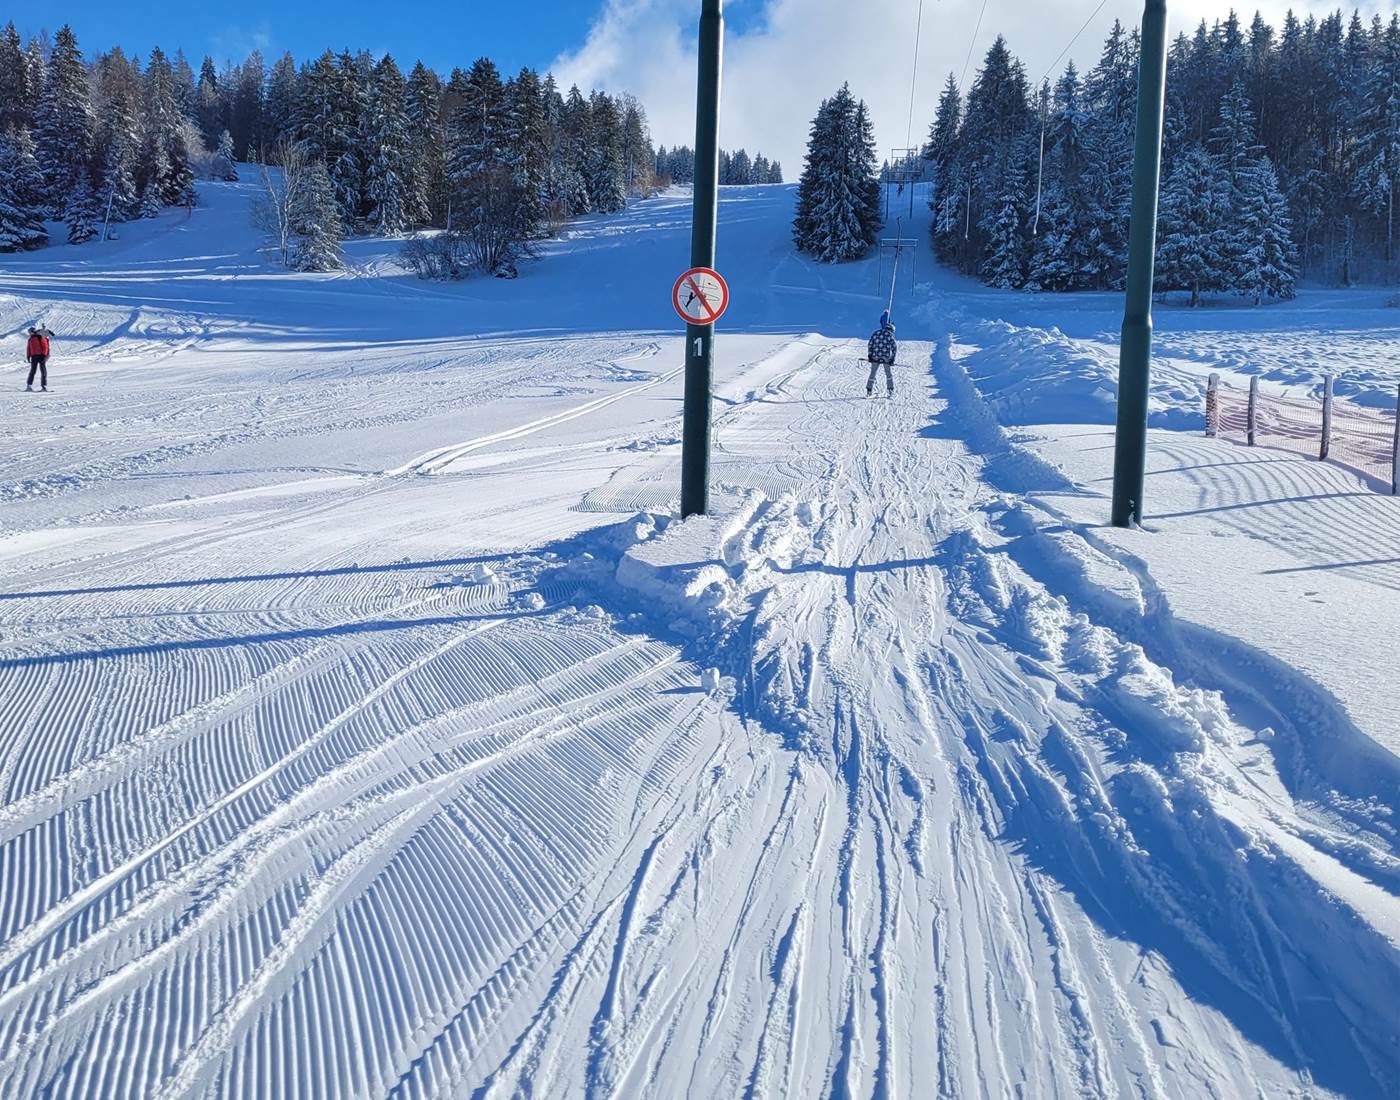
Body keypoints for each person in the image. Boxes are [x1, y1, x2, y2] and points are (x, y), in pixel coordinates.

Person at [866, 310, 896, 398]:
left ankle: (869, 390)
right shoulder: (890, 336)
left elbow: (870, 344)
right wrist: (892, 359)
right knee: (888, 374)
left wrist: (870, 355)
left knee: (873, 373)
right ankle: (890, 390)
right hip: (886, 358)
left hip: (875, 357)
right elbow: (894, 348)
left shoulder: (876, 333)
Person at [25, 326, 50, 392]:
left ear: (33, 331)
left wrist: (44, 355)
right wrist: (28, 355)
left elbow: (45, 346)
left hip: (41, 356)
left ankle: (44, 386)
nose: (30, 334)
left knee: (43, 371)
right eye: (29, 332)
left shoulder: (40, 337)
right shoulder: (30, 339)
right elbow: (28, 348)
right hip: (34, 356)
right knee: (33, 371)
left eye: (30, 332)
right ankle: (29, 386)